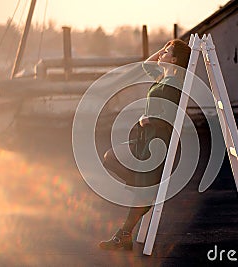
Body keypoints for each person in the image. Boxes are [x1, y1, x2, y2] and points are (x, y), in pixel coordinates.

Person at [99, 39, 191, 250]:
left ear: (175, 60)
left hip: (156, 143)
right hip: (145, 139)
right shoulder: (162, 77)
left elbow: (171, 117)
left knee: (139, 185)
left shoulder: (174, 83)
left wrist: (148, 119)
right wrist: (165, 50)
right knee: (110, 157)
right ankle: (141, 188)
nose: (161, 55)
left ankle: (123, 236)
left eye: (167, 52)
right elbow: (146, 65)